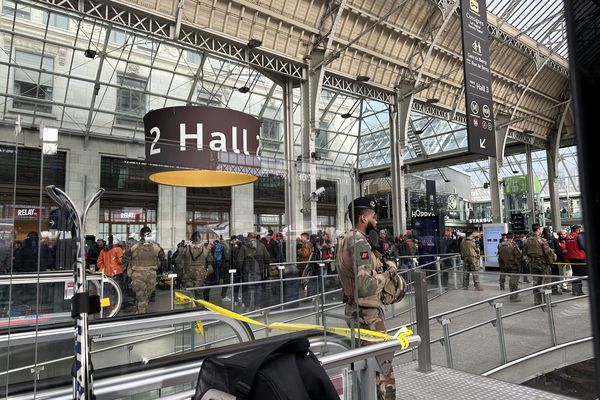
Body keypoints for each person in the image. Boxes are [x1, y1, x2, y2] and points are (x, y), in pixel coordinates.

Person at [337, 197, 398, 400]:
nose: (376, 220)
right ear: (363, 218)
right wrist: (389, 272)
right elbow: (364, 286)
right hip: (368, 315)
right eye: (373, 216)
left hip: (355, 312)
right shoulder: (359, 242)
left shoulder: (345, 238)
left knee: (364, 368)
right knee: (383, 368)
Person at [123, 227, 165, 314]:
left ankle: (140, 313)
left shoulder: (134, 246)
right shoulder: (156, 247)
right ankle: (141, 311)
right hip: (151, 275)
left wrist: (127, 270)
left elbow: (125, 257)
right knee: (145, 297)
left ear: (140, 235)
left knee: (141, 297)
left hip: (137, 275)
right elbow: (162, 258)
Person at [524, 224, 556, 305]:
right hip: (543, 264)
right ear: (538, 230)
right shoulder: (542, 240)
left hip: (533, 264)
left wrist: (529, 261)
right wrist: (553, 257)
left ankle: (537, 301)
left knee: (536, 282)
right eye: (541, 229)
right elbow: (548, 252)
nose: (542, 230)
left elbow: (524, 254)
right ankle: (547, 302)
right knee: (547, 283)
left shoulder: (526, 241)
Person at [176, 231, 214, 302]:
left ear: (191, 239)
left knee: (187, 294)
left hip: (187, 273)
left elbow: (178, 260)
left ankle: (187, 309)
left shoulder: (186, 248)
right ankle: (199, 310)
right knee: (199, 294)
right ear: (200, 239)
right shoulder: (205, 249)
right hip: (200, 274)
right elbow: (210, 260)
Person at [498, 233, 523, 302]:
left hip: (505, 264)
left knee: (511, 279)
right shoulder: (513, 244)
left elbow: (500, 254)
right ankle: (513, 296)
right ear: (513, 237)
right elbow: (518, 255)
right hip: (514, 265)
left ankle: (513, 293)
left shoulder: (500, 245)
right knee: (514, 280)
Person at [565, 225, 586, 296]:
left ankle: (574, 290)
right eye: (579, 230)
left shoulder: (567, 237)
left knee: (574, 273)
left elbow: (567, 247)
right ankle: (579, 291)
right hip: (580, 257)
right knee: (579, 275)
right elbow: (582, 246)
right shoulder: (578, 236)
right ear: (577, 230)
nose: (579, 231)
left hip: (571, 257)